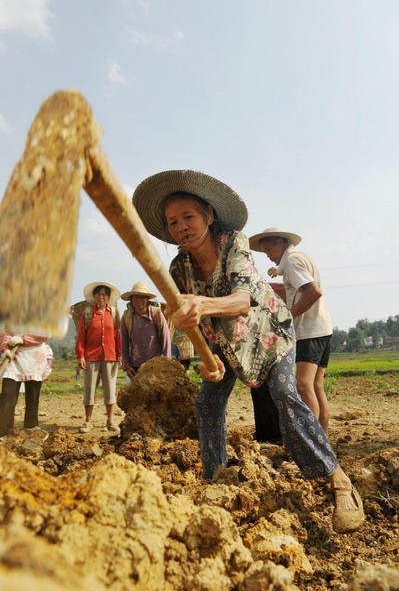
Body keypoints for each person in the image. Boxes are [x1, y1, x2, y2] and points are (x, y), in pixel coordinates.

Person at [133, 169, 364, 534]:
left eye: (188, 217)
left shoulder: (233, 243)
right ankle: (215, 479)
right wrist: (204, 358)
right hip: (223, 343)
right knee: (207, 402)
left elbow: (242, 301)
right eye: (173, 222)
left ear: (209, 215)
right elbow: (190, 320)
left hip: (269, 333)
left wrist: (201, 304)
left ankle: (338, 479)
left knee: (287, 395)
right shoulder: (179, 267)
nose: (181, 227)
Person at [249, 228, 332, 434]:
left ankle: (313, 439)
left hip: (309, 331)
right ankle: (323, 439)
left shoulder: (293, 261)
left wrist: (288, 317)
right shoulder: (297, 258)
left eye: (269, 249)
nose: (268, 255)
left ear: (280, 242)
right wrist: (278, 272)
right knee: (316, 386)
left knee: (303, 385)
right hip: (323, 328)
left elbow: (313, 292)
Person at [76, 282, 121, 433]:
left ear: (108, 297)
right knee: (89, 389)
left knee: (110, 389)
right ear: (94, 296)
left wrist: (120, 354)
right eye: (99, 294)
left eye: (104, 294)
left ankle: (110, 421)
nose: (101, 297)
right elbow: (81, 337)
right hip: (91, 356)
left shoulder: (114, 314)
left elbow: (117, 336)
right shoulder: (87, 314)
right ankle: (88, 421)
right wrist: (80, 355)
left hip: (110, 356)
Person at [0, 333, 53, 436]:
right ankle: (4, 431)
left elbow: (45, 333)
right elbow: (5, 331)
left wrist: (23, 339)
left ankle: (31, 427)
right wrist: (5, 349)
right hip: (13, 357)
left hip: (34, 357)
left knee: (32, 396)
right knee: (7, 396)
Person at [120, 282, 172, 380]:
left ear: (147, 299)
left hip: (155, 366)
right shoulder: (127, 317)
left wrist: (166, 366)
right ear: (131, 299)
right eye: (136, 297)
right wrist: (126, 366)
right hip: (135, 367)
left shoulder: (156, 314)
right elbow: (124, 343)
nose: (139, 300)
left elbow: (166, 341)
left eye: (142, 297)